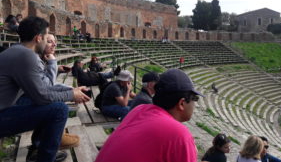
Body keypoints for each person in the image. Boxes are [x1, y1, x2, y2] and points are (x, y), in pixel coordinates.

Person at [0, 16, 90, 162]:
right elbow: (42, 95)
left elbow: (42, 89)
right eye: (46, 37)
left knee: (48, 102)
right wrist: (70, 94)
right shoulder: (26, 56)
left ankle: (39, 148)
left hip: (7, 107)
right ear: (38, 38)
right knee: (59, 110)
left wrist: (70, 90)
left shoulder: (17, 51)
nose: (49, 41)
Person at [95, 68, 203, 162]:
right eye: (195, 98)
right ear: (181, 103)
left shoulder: (140, 109)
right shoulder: (180, 135)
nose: (195, 103)